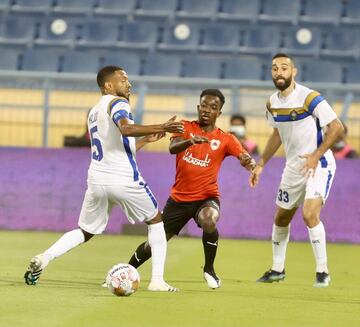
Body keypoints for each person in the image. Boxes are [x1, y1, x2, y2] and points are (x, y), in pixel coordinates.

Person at [24, 65, 184, 292]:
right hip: (124, 179)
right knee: (156, 221)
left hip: (98, 180)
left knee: (84, 231)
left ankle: (45, 257)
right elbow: (127, 129)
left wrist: (146, 139)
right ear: (108, 85)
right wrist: (163, 125)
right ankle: (157, 281)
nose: (128, 84)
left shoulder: (94, 111)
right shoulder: (118, 103)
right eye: (123, 79)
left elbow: (117, 145)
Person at [125, 89, 256, 289]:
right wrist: (191, 141)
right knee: (152, 245)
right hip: (178, 200)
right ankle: (126, 271)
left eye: (213, 107)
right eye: (204, 105)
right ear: (198, 107)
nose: (207, 110)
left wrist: (249, 163)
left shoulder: (225, 139)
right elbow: (173, 148)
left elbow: (244, 156)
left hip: (206, 198)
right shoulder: (184, 127)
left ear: (219, 113)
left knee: (209, 220)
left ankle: (209, 269)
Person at [250, 53, 344, 287]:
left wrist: (315, 155)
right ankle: (277, 270)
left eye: (284, 68)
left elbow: (337, 127)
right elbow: (276, 135)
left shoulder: (309, 97)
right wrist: (261, 163)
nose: (278, 72)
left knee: (309, 214)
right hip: (293, 167)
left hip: (319, 164)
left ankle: (322, 273)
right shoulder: (272, 102)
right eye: (274, 69)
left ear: (294, 72)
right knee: (281, 217)